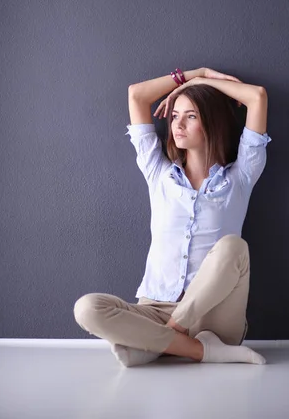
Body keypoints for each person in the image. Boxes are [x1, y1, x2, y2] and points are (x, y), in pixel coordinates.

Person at [73, 66, 272, 367]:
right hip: (155, 307)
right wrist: (192, 74)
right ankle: (201, 351)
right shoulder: (158, 173)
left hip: (215, 315)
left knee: (234, 247)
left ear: (212, 121)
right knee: (87, 309)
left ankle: (161, 341)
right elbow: (136, 96)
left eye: (190, 116)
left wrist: (203, 82)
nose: (177, 124)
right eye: (175, 115)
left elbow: (257, 97)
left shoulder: (241, 176)